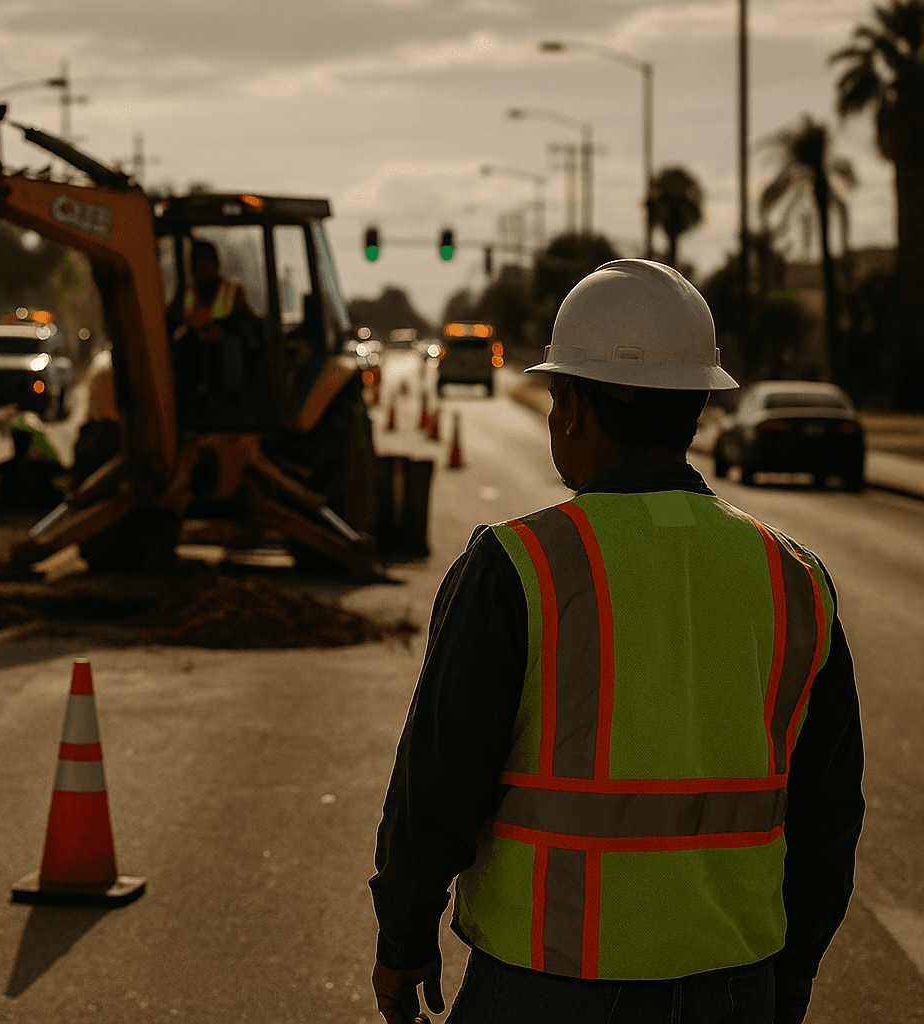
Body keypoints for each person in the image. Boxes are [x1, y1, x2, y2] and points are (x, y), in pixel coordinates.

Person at [369, 260, 864, 1024]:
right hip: (735, 982)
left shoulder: (517, 566)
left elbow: (436, 784)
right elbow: (829, 809)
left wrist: (404, 936)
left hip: (545, 981)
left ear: (573, 407)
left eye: (555, 397)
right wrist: (796, 969)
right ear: (697, 405)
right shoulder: (794, 577)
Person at [167, 238, 260, 397]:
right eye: (196, 261)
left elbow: (249, 323)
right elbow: (168, 323)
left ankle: (231, 398)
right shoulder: (185, 294)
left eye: (206, 260)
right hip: (194, 353)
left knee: (231, 346)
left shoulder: (232, 291)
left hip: (224, 355)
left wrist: (224, 329)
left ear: (216, 263)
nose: (200, 266)